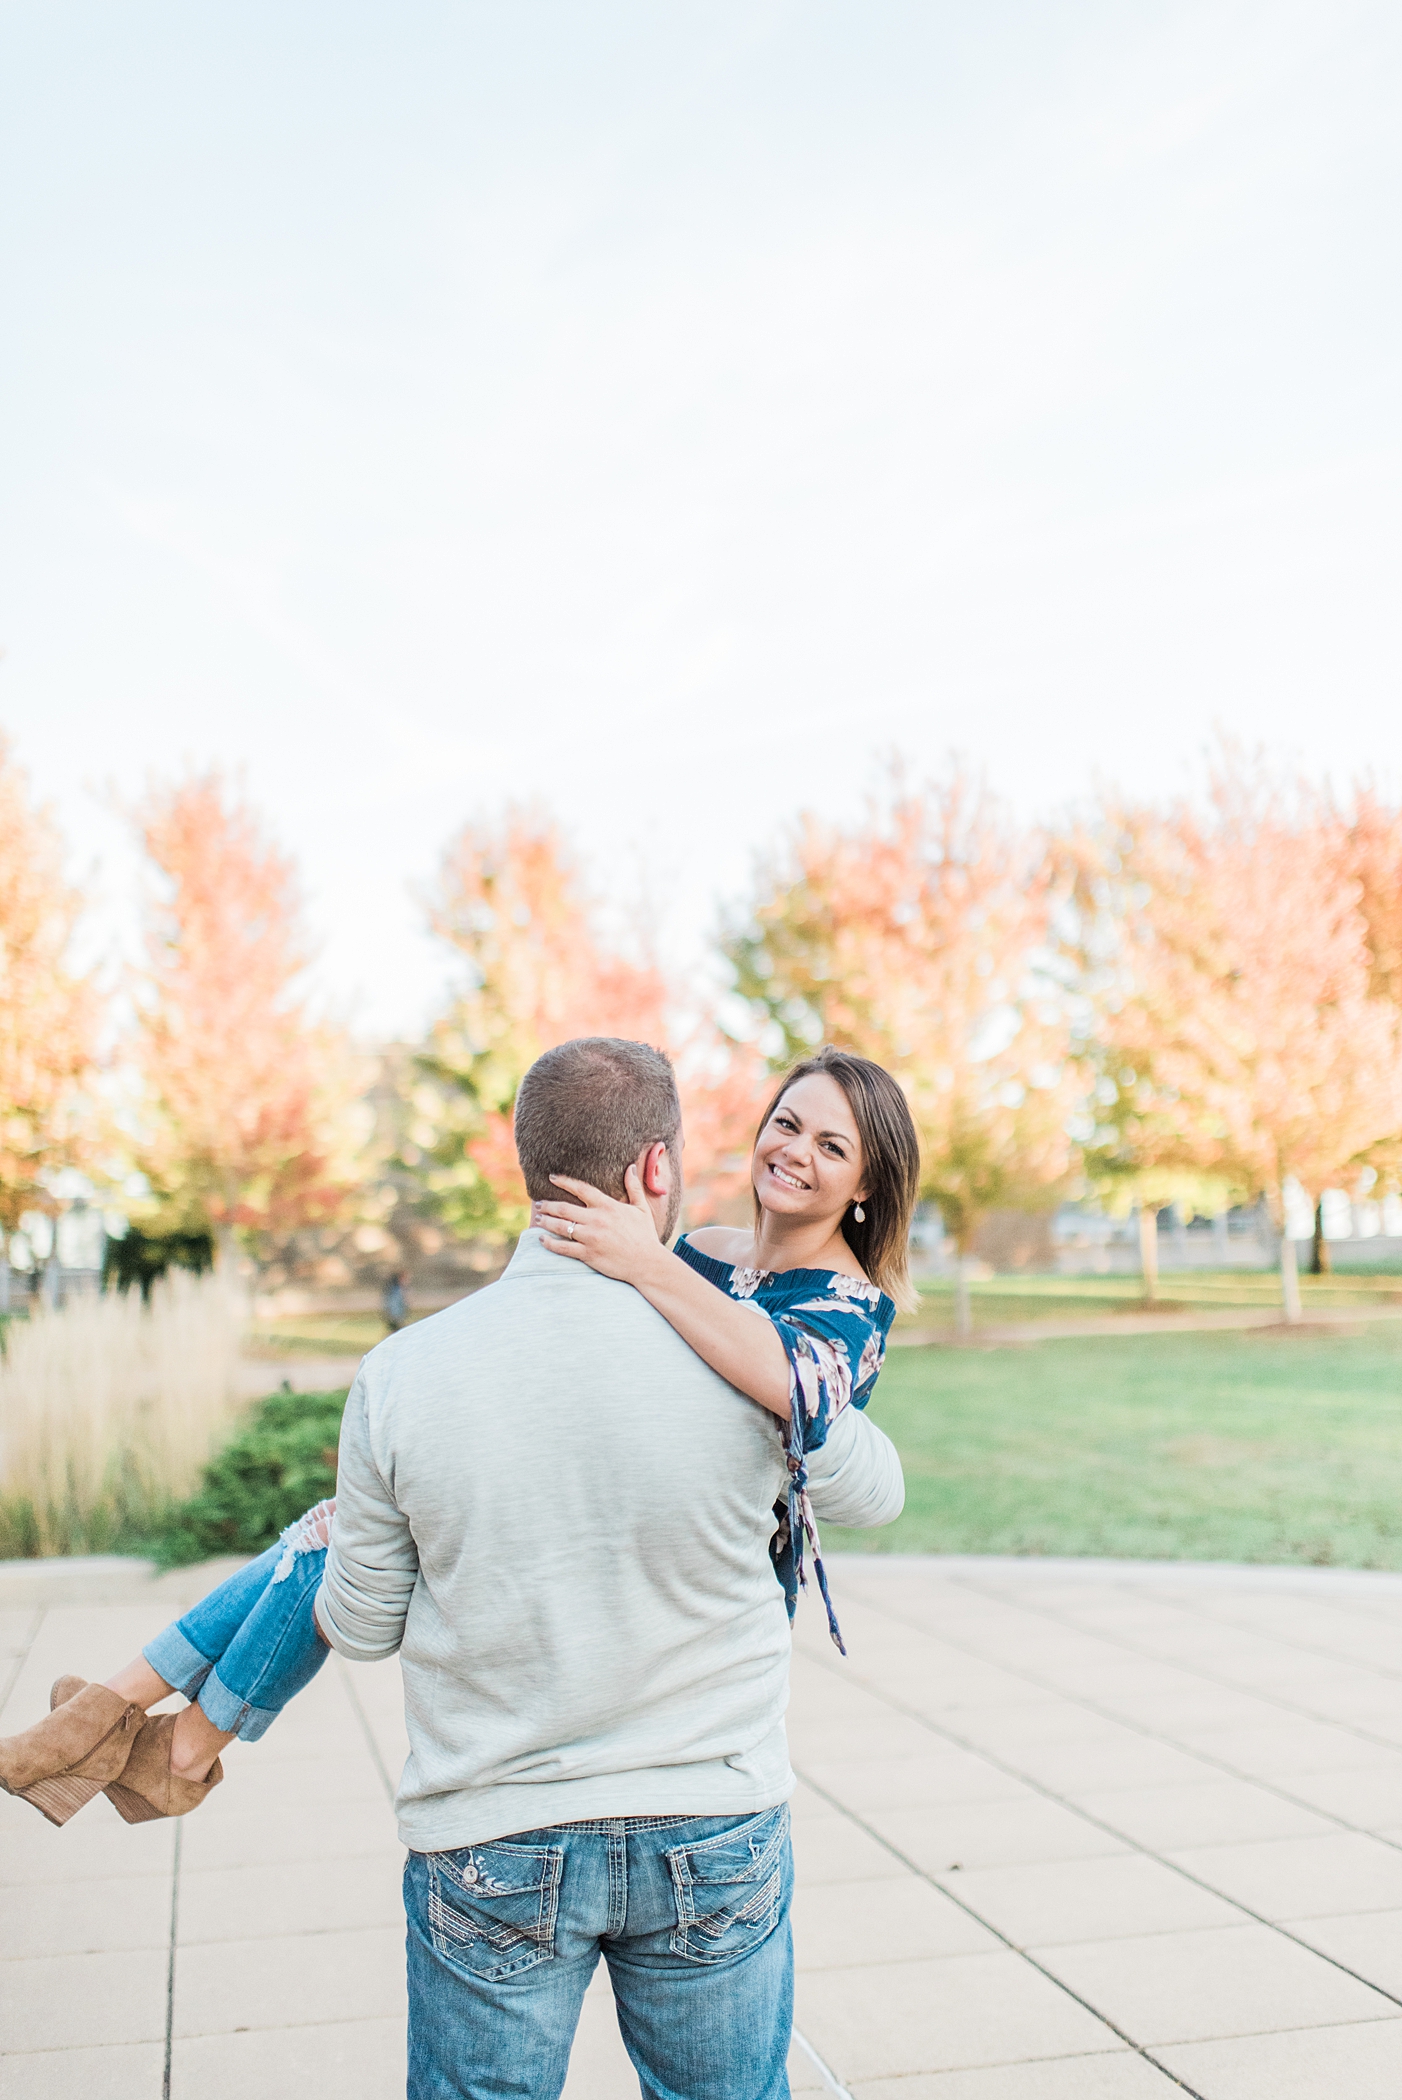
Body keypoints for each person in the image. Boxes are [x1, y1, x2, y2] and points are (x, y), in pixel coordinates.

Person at [0, 1037, 912, 2099]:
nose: (793, 1148)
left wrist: (639, 1268)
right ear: (654, 1171)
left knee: (327, 1541)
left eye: (829, 1143)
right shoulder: (701, 1262)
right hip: (708, 1807)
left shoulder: (820, 1321)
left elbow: (814, 1417)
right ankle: (143, 1729)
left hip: (498, 1829)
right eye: (786, 1121)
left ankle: (139, 1730)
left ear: (864, 1189)